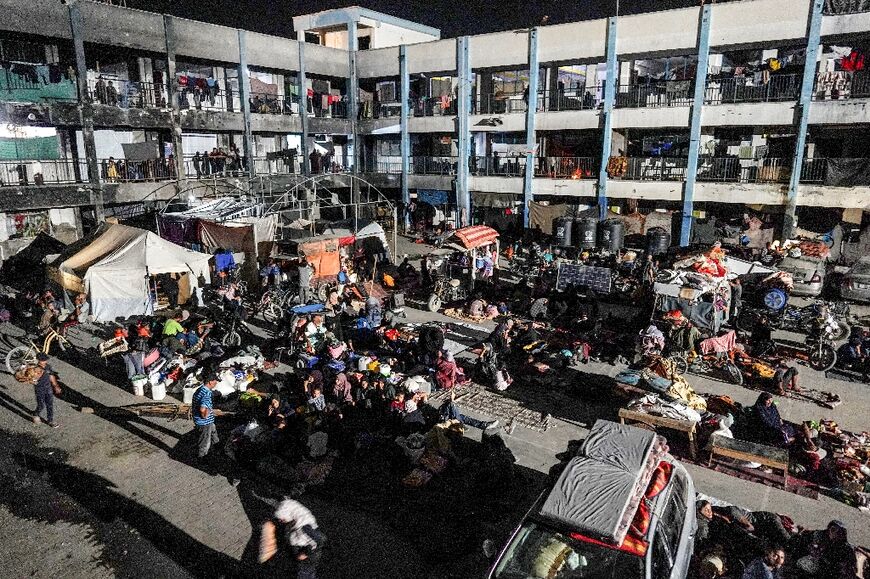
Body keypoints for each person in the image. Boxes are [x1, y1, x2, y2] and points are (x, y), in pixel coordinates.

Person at [260, 498, 326, 579]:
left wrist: (305, 554)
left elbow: (320, 540)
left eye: (282, 518)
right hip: (297, 551)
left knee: (305, 575)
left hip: (307, 560)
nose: (281, 520)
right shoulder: (294, 519)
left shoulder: (305, 526)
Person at [192, 371, 219, 461]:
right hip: (204, 422)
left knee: (213, 431)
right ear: (210, 382)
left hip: (201, 421)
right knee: (205, 441)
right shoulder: (207, 394)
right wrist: (208, 412)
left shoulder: (200, 389)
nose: (216, 383)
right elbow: (202, 410)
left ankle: (216, 445)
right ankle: (202, 457)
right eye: (215, 381)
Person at [32, 353, 60, 428]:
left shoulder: (48, 367)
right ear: (38, 360)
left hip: (48, 388)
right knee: (41, 405)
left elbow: (51, 376)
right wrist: (34, 379)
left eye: (45, 360)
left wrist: (55, 386)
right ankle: (36, 414)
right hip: (39, 389)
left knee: (50, 405)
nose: (45, 362)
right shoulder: (34, 368)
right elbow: (31, 379)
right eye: (42, 360)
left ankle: (50, 420)